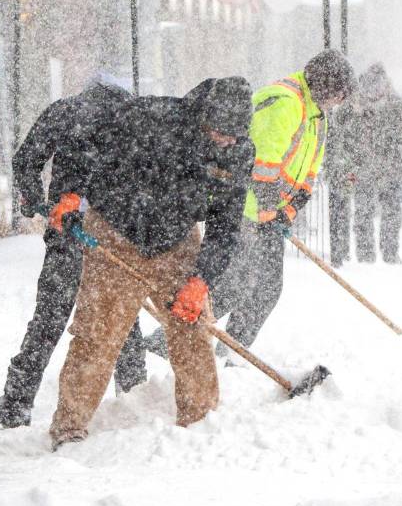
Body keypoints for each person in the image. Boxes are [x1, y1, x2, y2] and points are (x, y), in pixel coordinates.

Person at [48, 77, 255, 449]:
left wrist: (201, 280)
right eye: (220, 133)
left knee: (193, 328)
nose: (226, 141)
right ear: (202, 118)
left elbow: (225, 227)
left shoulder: (237, 153)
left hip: (176, 240)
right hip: (116, 230)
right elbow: (80, 145)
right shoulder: (149, 117)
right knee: (98, 334)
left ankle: (202, 423)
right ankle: (69, 427)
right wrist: (68, 193)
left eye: (234, 136)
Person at [0, 75, 147, 428]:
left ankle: (17, 400)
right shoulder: (133, 120)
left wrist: (35, 200)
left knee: (50, 318)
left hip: (69, 231)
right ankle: (134, 397)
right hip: (115, 235)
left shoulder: (67, 110)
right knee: (122, 316)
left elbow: (26, 160)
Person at [210, 49, 355, 349]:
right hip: (243, 210)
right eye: (340, 93)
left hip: (269, 216)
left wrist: (289, 210)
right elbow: (263, 163)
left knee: (263, 289)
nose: (341, 101)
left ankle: (231, 352)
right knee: (234, 287)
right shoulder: (288, 102)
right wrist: (266, 213)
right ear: (326, 85)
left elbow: (310, 171)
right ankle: (172, 343)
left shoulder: (318, 116)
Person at [333, 63, 402, 264]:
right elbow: (340, 126)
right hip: (364, 166)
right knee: (364, 210)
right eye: (370, 86)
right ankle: (366, 254)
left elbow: (400, 135)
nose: (375, 91)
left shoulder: (396, 106)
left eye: (379, 85)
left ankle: (390, 252)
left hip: (389, 166)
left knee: (391, 210)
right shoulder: (354, 105)